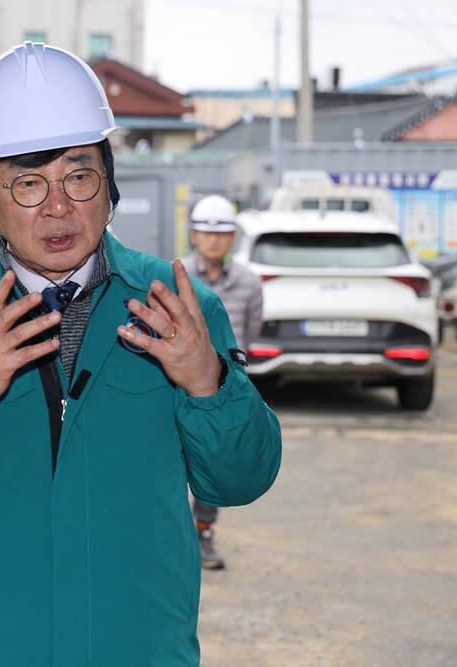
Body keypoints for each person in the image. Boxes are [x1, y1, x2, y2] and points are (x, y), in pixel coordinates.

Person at [0, 42, 282, 666]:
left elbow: (242, 478)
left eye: (78, 175)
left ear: (110, 177)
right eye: (27, 184)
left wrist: (209, 383)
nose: (59, 207)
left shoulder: (177, 307)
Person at [181, 194, 265, 570]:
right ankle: (168, 537)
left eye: (222, 234)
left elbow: (249, 332)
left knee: (211, 461)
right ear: (193, 235)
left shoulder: (249, 283)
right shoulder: (174, 275)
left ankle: (203, 533)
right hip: (176, 384)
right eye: (205, 233)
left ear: (233, 238)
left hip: (223, 389)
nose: (214, 241)